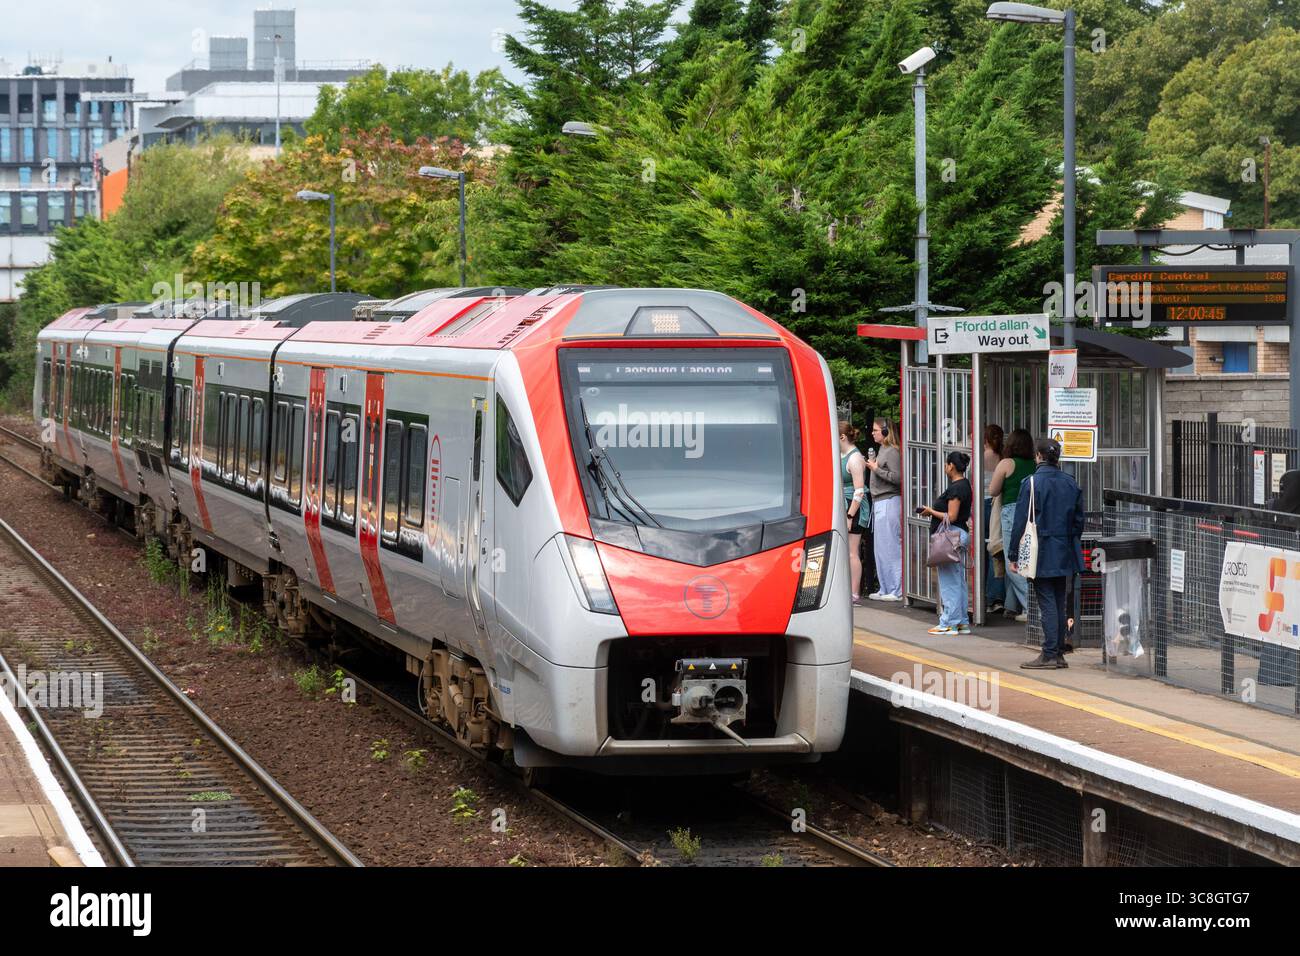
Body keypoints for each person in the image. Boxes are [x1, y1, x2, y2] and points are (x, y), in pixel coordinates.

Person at [1010, 438, 1085, 669]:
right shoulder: (1070, 483)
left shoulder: (1031, 483)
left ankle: (1050, 652)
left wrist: (1014, 553)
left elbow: (1021, 520)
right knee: (1060, 600)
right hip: (1065, 549)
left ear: (1039, 456)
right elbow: (1079, 521)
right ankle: (1059, 652)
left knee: (1047, 603)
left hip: (1041, 550)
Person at [918, 451, 973, 635]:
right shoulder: (965, 485)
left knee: (949, 581)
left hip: (951, 536)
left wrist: (930, 511)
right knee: (958, 580)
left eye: (946, 464)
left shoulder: (956, 488)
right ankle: (962, 621)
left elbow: (951, 516)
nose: (944, 467)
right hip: (959, 534)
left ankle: (949, 621)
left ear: (951, 466)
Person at [988, 428, 1035, 623]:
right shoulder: (1035, 464)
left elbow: (993, 490)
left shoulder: (1006, 463)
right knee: (1027, 559)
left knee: (1012, 563)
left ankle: (1032, 607)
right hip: (1032, 513)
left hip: (1011, 512)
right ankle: (1012, 605)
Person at [866, 417, 903, 601]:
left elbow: (898, 478)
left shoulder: (893, 452)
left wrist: (876, 469)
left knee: (891, 546)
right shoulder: (882, 450)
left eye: (876, 430)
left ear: (886, 432)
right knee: (880, 547)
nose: (872, 433)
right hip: (879, 501)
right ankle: (885, 587)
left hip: (889, 499)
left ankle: (897, 589)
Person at [839, 421, 869, 605]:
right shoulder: (842, 455)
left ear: (842, 437)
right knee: (845, 551)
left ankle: (854, 593)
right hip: (844, 503)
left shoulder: (855, 458)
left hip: (854, 506)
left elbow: (859, 491)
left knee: (852, 552)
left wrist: (850, 516)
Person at [983, 425, 1006, 613]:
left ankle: (988, 596)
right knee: (997, 549)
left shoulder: (982, 456)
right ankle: (998, 595)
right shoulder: (1004, 458)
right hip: (998, 504)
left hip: (983, 504)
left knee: (984, 549)